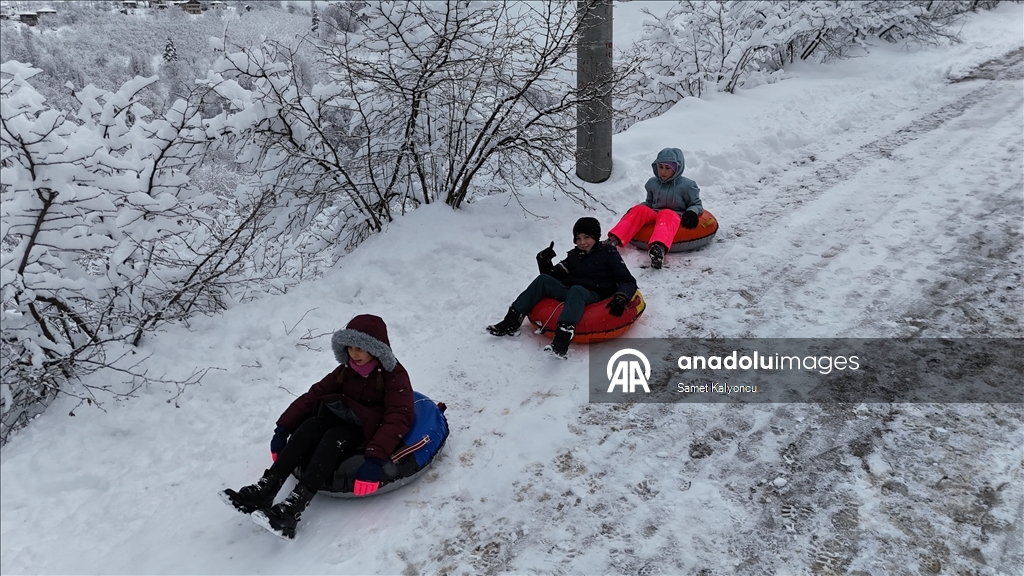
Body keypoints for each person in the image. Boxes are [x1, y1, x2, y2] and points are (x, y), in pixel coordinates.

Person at [220, 314, 414, 539]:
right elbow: (314, 395)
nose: (354, 354)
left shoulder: (394, 376)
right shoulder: (346, 370)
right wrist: (282, 428)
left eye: (360, 348)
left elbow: (398, 417)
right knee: (311, 424)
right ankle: (266, 488)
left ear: (376, 348)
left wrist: (375, 458)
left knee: (333, 436)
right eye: (349, 347)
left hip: (367, 427)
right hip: (344, 415)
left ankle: (293, 509)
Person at [486, 217, 637, 358]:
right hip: (571, 292)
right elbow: (553, 276)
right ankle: (511, 322)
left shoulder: (608, 254)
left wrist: (621, 298)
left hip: (594, 294)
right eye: (578, 239)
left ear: (595, 237)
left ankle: (562, 340)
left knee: (576, 289)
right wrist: (544, 261)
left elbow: (628, 280)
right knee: (543, 280)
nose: (582, 242)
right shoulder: (574, 255)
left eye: (586, 237)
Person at [606, 147, 702, 269]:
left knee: (666, 213)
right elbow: (649, 202)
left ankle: (658, 249)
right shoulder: (652, 183)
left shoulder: (687, 185)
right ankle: (613, 240)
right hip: (655, 214)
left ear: (677, 168)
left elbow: (696, 204)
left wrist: (691, 212)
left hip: (674, 216)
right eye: (660, 167)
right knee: (639, 209)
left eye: (668, 168)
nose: (663, 172)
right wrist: (636, 210)